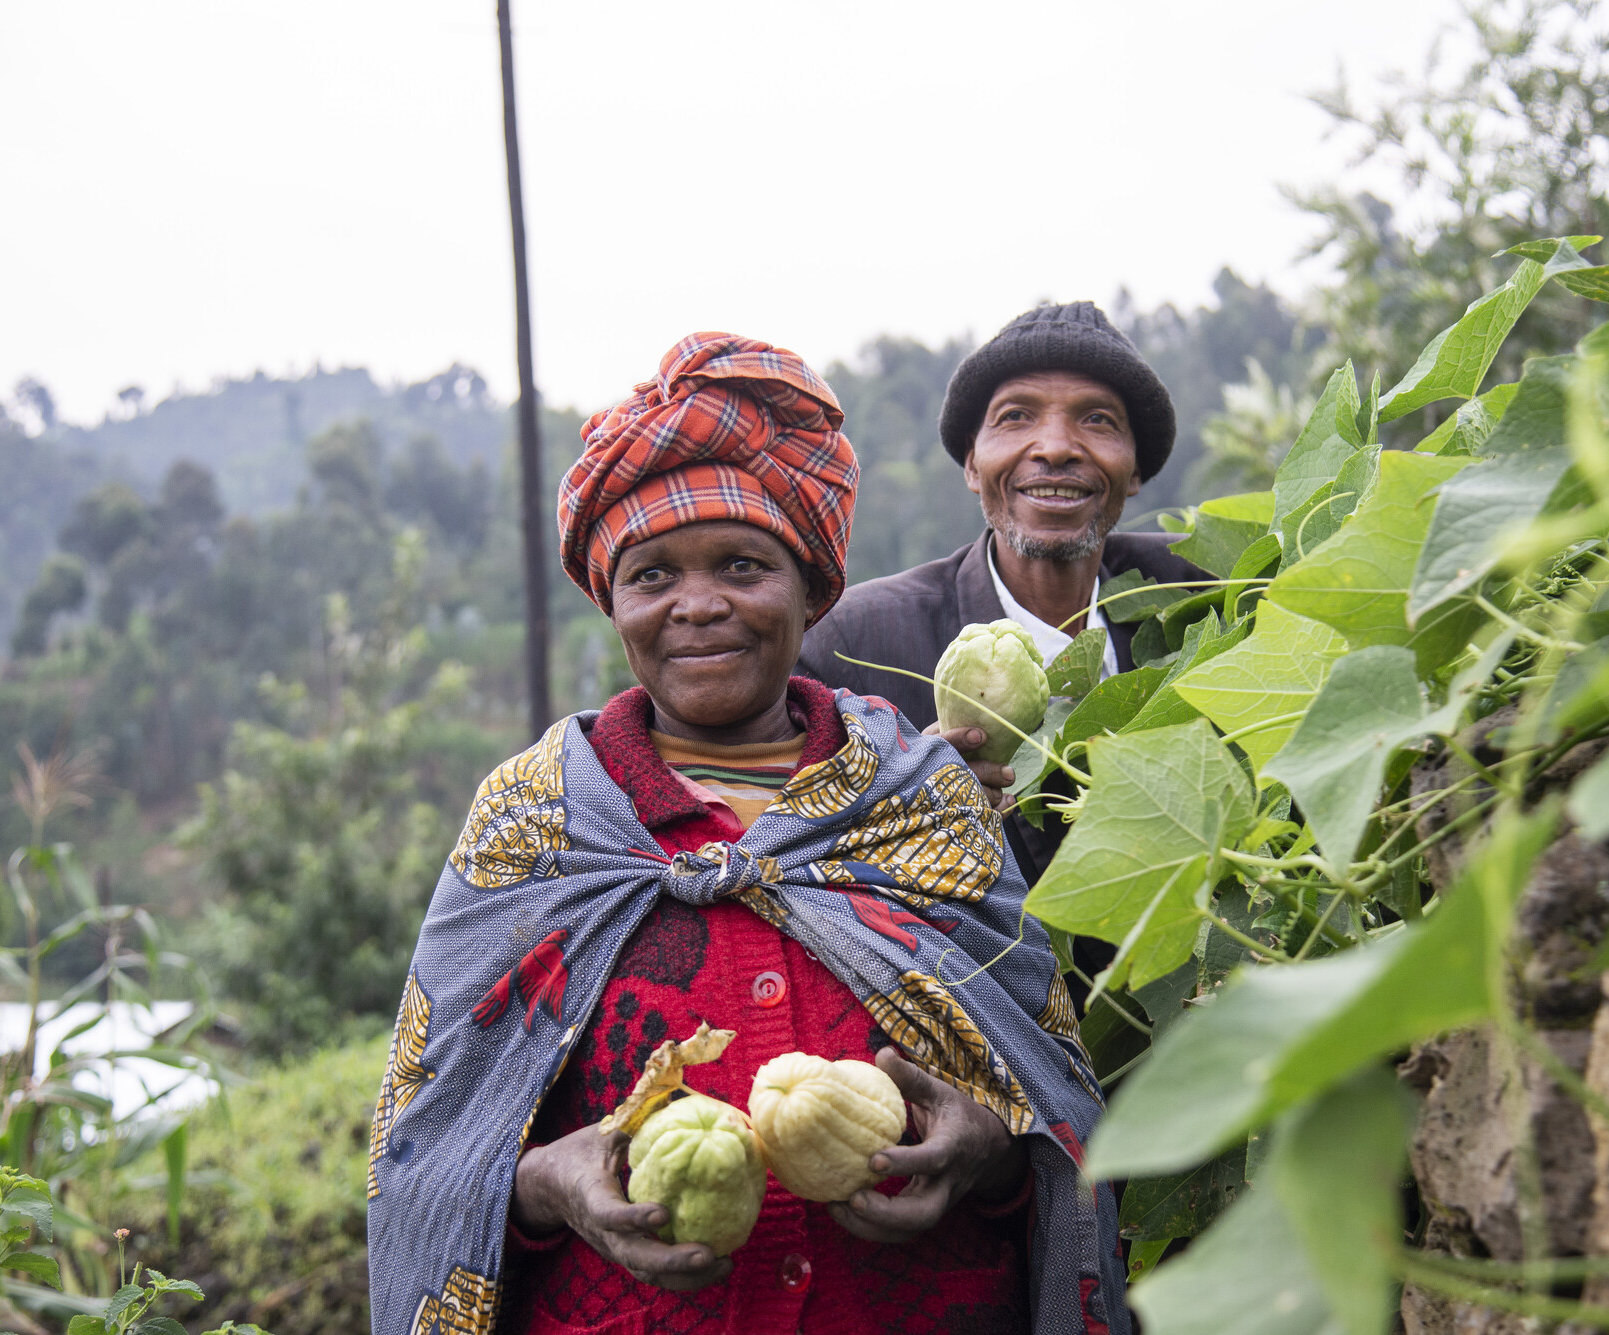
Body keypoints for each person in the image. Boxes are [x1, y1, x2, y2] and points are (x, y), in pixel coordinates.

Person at [365, 333, 1127, 1335]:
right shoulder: (532, 823)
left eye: (740, 565)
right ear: (613, 606)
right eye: (650, 577)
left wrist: (985, 1147)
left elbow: (1048, 1096)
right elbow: (426, 1152)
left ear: (811, 594)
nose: (698, 604)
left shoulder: (918, 799)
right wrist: (546, 1181)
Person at [799, 300, 1204, 864]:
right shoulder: (849, 646)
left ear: (1135, 470)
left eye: (1097, 420)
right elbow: (780, 853)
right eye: (1016, 416)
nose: (1056, 447)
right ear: (971, 464)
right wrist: (890, 806)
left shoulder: (1207, 599)